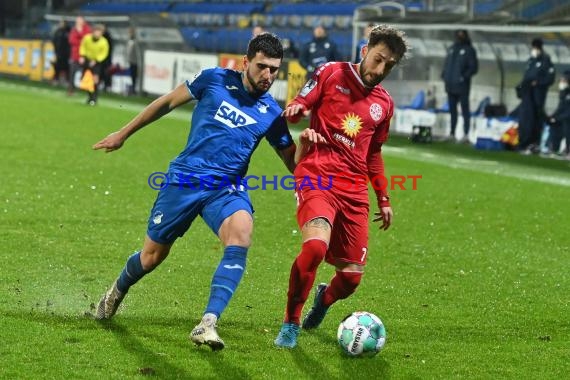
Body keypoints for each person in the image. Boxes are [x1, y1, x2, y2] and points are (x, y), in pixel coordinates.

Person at [92, 33, 322, 351]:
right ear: (245, 62)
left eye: (274, 70)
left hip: (226, 188)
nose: (268, 76)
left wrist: (308, 152)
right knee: (151, 257)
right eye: (262, 67)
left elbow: (292, 165)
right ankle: (116, 291)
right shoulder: (213, 79)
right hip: (184, 180)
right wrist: (123, 133)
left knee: (241, 233)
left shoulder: (272, 113)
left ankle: (208, 323)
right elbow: (166, 103)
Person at [274, 24, 409, 348]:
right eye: (377, 59)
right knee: (316, 247)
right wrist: (297, 110)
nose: (380, 69)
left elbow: (373, 154)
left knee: (350, 279)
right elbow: (295, 111)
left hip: (354, 189)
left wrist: (384, 198)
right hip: (317, 174)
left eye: (388, 65)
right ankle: (290, 323)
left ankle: (324, 299)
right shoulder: (331, 72)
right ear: (365, 51)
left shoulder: (384, 104)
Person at [516, 38, 555, 155]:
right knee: (525, 119)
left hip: (538, 97)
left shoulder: (546, 61)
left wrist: (537, 82)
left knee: (535, 121)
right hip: (527, 96)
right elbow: (526, 77)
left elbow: (549, 79)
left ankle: (534, 144)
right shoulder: (530, 61)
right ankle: (523, 142)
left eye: (535, 48)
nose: (533, 50)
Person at [441, 29, 478, 143]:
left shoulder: (469, 50)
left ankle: (466, 134)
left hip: (462, 86)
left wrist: (463, 77)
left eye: (462, 35)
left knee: (464, 110)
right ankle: (452, 133)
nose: (459, 37)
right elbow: (447, 64)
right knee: (452, 110)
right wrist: (444, 75)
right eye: (458, 34)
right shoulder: (452, 49)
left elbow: (473, 67)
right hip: (450, 85)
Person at [79, 24, 109, 105]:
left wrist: (96, 60)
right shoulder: (87, 38)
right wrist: (82, 56)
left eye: (100, 32)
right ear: (93, 31)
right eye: (96, 32)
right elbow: (83, 47)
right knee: (86, 80)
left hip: (97, 63)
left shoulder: (104, 42)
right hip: (87, 60)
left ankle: (94, 98)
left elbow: (104, 53)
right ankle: (90, 97)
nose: (97, 34)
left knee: (95, 80)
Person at [546, 70, 570, 159]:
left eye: (564, 81)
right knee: (553, 124)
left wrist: (558, 118)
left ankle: (568, 150)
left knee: (567, 125)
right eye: (561, 81)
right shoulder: (563, 93)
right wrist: (553, 117)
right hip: (563, 118)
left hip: (567, 119)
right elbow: (560, 108)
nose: (561, 83)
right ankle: (553, 148)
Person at [67, 16, 91, 95]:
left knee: (86, 72)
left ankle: (86, 89)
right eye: (77, 21)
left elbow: (87, 41)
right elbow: (71, 41)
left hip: (85, 55)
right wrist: (81, 40)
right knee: (72, 73)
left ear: (83, 21)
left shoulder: (87, 29)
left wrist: (79, 40)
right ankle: (71, 90)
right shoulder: (74, 29)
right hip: (75, 55)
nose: (78, 22)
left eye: (80, 20)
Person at [51, 20, 70, 86]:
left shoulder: (69, 31)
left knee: (67, 68)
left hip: (66, 54)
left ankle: (66, 80)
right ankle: (56, 79)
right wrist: (55, 52)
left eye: (62, 23)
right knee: (57, 67)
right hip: (58, 53)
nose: (61, 24)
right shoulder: (57, 32)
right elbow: (54, 42)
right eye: (60, 23)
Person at [125, 27, 139, 95]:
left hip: (136, 61)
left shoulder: (136, 41)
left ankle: (134, 89)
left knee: (134, 75)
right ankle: (132, 89)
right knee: (132, 75)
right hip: (131, 60)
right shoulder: (129, 40)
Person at [101, 24, 114, 91]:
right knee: (101, 72)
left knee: (106, 72)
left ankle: (106, 85)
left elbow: (110, 49)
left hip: (106, 59)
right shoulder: (100, 37)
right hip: (100, 58)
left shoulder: (108, 37)